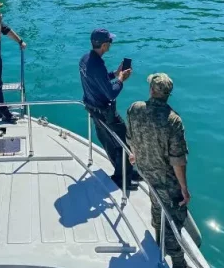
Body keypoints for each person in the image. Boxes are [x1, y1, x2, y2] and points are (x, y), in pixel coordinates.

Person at [126, 73, 191, 268]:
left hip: (145, 171)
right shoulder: (173, 120)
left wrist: (135, 155)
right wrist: (184, 189)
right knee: (175, 218)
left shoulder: (134, 109)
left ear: (152, 90)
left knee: (156, 204)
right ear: (167, 94)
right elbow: (178, 160)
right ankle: (179, 262)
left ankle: (157, 241)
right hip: (166, 179)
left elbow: (131, 138)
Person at [79, 28, 137, 188]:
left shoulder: (85, 59)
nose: (111, 44)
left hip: (93, 110)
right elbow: (111, 93)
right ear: (104, 45)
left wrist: (114, 73)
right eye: (110, 41)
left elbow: (99, 80)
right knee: (125, 143)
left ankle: (124, 171)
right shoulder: (97, 65)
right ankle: (123, 179)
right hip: (106, 113)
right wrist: (120, 79)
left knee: (109, 142)